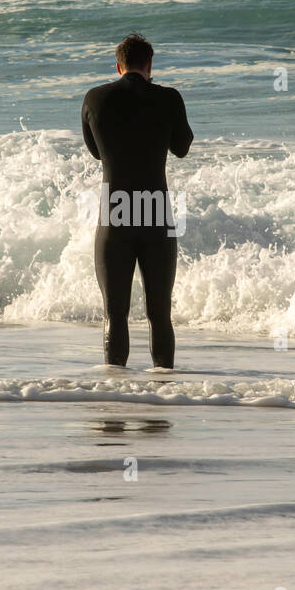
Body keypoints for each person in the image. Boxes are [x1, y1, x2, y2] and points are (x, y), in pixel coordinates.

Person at [81, 34, 193, 369]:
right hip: (156, 210)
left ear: (118, 66)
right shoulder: (168, 98)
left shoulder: (95, 98)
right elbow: (182, 147)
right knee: (160, 312)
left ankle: (115, 399)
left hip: (115, 211)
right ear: (150, 65)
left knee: (114, 312)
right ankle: (163, 395)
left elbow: (95, 151)